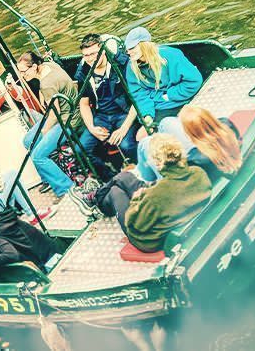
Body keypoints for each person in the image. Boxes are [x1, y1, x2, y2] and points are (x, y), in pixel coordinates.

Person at [80, 134, 212, 252]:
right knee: (124, 176)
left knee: (115, 192)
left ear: (158, 164)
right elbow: (167, 194)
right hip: (170, 212)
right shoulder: (198, 172)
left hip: (149, 241)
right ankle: (97, 196)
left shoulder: (155, 195)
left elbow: (134, 224)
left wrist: (137, 199)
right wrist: (148, 194)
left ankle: (95, 201)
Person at [17, 52, 85, 204]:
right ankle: (48, 179)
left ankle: (66, 190)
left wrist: (44, 131)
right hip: (62, 114)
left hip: (67, 121)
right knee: (28, 141)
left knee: (38, 156)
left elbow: (55, 115)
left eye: (23, 71)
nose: (21, 75)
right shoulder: (49, 65)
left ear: (35, 66)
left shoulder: (47, 85)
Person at [74, 33, 139, 177]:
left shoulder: (121, 65)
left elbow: (137, 98)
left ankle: (143, 172)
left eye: (93, 53)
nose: (90, 58)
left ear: (103, 51)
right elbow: (84, 104)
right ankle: (110, 177)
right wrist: (92, 127)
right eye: (86, 55)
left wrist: (123, 128)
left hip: (124, 112)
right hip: (102, 116)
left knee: (127, 145)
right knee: (81, 150)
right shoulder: (83, 71)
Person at [136, 106, 242, 183]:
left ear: (190, 133)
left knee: (146, 143)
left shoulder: (194, 160)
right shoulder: (226, 124)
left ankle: (143, 176)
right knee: (166, 122)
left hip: (186, 181)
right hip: (213, 157)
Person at [123, 27, 203, 129]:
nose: (128, 52)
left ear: (144, 45)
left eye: (132, 48)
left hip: (182, 100)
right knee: (143, 134)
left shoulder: (171, 55)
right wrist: (147, 114)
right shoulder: (132, 66)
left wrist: (169, 95)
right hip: (158, 106)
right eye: (127, 49)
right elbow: (139, 94)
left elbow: (194, 81)